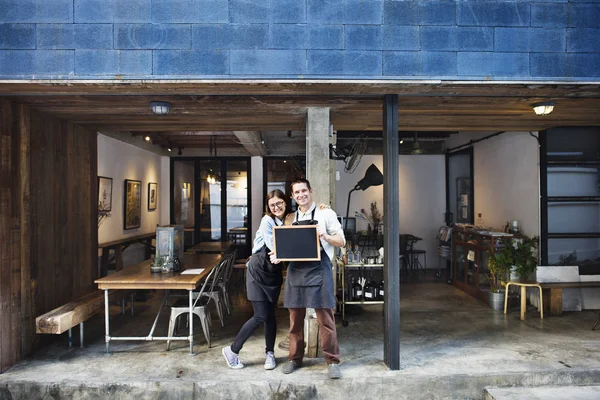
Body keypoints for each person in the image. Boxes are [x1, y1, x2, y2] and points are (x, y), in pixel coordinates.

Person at [222, 189, 330, 370]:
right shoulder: (267, 221)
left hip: (273, 273)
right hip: (258, 271)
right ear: (268, 207)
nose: (276, 207)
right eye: (272, 205)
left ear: (285, 202)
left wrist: (323, 209)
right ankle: (232, 351)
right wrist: (292, 250)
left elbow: (304, 225)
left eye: (279, 203)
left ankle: (269, 354)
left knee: (270, 317)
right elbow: (276, 246)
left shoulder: (288, 219)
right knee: (260, 315)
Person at [270, 178, 346, 380]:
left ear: (310, 191)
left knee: (326, 320)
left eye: (304, 191)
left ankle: (332, 361)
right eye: (297, 193)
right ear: (293, 196)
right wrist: (278, 255)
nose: (301, 195)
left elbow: (342, 240)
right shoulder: (290, 218)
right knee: (295, 320)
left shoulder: (325, 213)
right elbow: (284, 246)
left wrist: (325, 237)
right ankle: (294, 358)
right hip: (296, 271)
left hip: (319, 270)